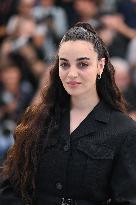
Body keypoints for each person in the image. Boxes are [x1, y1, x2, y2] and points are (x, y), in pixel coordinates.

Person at [0, 22, 136, 205]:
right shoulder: (36, 119)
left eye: (83, 64)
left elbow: (127, 199)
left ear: (100, 65)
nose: (72, 73)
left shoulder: (124, 130)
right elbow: (10, 188)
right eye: (64, 64)